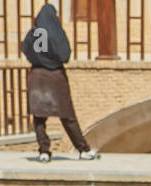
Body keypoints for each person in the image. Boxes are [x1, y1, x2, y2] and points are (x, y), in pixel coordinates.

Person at [21, 3, 98, 162]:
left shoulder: (33, 33)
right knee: (67, 115)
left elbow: (25, 49)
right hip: (55, 77)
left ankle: (43, 151)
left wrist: (38, 59)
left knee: (39, 117)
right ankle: (83, 149)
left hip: (37, 76)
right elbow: (65, 55)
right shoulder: (55, 32)